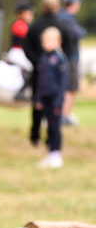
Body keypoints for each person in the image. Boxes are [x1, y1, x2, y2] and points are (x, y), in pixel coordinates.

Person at [23, 0, 73, 146]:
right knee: (54, 104)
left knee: (38, 103)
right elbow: (69, 50)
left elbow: (27, 48)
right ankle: (51, 137)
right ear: (57, 7)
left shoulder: (35, 25)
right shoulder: (63, 26)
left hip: (40, 71)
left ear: (42, 7)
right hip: (54, 73)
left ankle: (35, 135)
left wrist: (37, 63)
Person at [34, 27, 68, 168]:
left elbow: (62, 83)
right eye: (44, 40)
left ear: (58, 42)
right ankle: (50, 153)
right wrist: (38, 99)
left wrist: (58, 101)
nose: (46, 43)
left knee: (55, 127)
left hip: (55, 99)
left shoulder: (60, 59)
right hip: (45, 98)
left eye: (50, 40)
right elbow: (40, 81)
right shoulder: (43, 57)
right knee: (48, 127)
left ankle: (56, 154)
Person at [57, 0, 87, 126]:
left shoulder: (62, 17)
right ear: (73, 3)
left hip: (66, 57)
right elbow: (79, 33)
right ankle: (64, 116)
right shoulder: (66, 19)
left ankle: (64, 115)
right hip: (70, 58)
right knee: (70, 88)